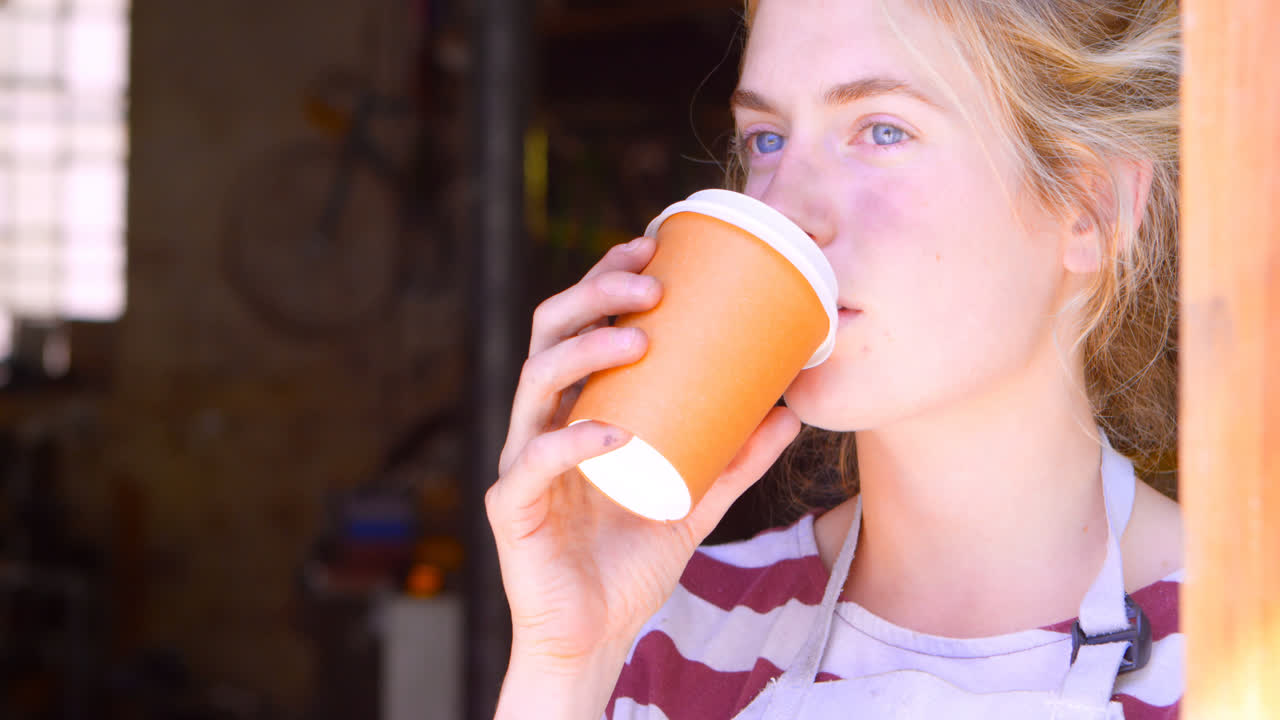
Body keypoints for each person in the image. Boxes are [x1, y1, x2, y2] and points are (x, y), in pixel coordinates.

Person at [485, 0, 1184, 717]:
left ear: (1090, 207)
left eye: (883, 131)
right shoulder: (664, 634)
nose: (785, 208)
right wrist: (564, 665)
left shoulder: (1233, 653)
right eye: (766, 139)